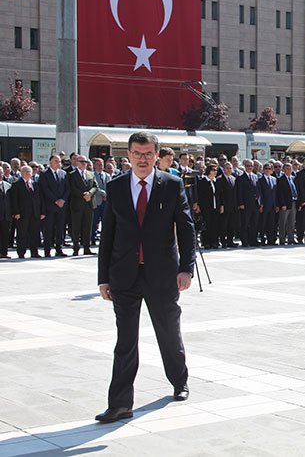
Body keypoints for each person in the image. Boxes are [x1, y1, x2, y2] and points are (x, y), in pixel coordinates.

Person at [96, 132, 195, 423]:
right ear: (128, 155)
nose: (142, 159)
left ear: (156, 155)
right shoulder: (115, 187)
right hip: (124, 275)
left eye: (148, 153)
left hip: (162, 274)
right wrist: (104, 277)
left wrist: (186, 268)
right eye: (137, 153)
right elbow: (108, 235)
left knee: (167, 332)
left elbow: (186, 229)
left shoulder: (172, 185)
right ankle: (120, 404)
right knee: (125, 341)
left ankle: (179, 380)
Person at [11, 165, 45, 258]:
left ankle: (34, 252)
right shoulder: (16, 184)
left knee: (34, 233)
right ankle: (21, 253)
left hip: (35, 213)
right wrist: (16, 212)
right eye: (25, 171)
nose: (27, 173)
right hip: (22, 214)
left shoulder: (35, 184)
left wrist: (42, 212)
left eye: (29, 171)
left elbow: (40, 199)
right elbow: (14, 200)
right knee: (22, 234)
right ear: (21, 173)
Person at [39, 155, 70, 257]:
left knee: (60, 228)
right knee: (48, 229)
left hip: (61, 206)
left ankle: (59, 249)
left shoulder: (63, 173)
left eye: (59, 161)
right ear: (50, 162)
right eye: (56, 161)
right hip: (50, 205)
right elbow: (45, 189)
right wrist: (56, 200)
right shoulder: (44, 174)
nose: (58, 163)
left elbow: (67, 189)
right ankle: (47, 250)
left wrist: (63, 200)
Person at [68, 155, 98, 256]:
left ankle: (87, 247)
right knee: (76, 227)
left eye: (85, 161)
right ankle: (76, 248)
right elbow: (72, 188)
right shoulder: (72, 174)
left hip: (89, 204)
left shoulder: (90, 174)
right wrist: (83, 195)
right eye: (82, 161)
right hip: (77, 204)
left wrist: (90, 193)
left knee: (87, 227)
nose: (84, 163)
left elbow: (95, 186)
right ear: (77, 162)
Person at [197, 164, 221, 249]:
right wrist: (198, 205)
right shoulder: (203, 181)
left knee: (214, 225)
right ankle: (206, 242)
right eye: (213, 170)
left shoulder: (216, 181)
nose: (215, 172)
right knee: (207, 225)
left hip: (215, 207)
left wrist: (220, 205)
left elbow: (219, 195)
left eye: (216, 170)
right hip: (206, 207)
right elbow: (200, 195)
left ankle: (214, 241)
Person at [237, 159, 260, 247]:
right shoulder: (241, 177)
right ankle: (245, 240)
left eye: (251, 166)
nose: (249, 167)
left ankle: (253, 239)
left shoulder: (255, 176)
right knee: (245, 223)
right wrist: (241, 203)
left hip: (255, 203)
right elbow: (239, 192)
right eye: (248, 166)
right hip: (246, 204)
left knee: (254, 223)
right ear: (244, 166)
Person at [217, 162, 239, 248]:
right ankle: (223, 241)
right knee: (224, 224)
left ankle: (230, 240)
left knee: (232, 224)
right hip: (225, 205)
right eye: (227, 168)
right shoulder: (220, 179)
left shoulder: (233, 178)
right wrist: (221, 205)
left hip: (233, 206)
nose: (229, 170)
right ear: (223, 169)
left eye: (230, 168)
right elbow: (220, 193)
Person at [256, 162, 277, 245]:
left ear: (272, 170)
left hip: (272, 205)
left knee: (271, 223)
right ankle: (262, 239)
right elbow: (260, 193)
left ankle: (270, 239)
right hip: (264, 205)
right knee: (263, 223)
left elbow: (276, 193)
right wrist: (261, 204)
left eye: (269, 169)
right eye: (266, 168)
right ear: (263, 170)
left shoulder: (274, 179)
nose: (268, 170)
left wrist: (276, 205)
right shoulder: (260, 180)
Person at [277, 163, 298, 245]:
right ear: (283, 170)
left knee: (292, 222)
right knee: (283, 222)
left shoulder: (293, 178)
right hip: (285, 204)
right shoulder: (281, 179)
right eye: (286, 169)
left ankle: (291, 238)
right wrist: (282, 204)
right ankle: (282, 239)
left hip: (294, 202)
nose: (288, 170)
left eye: (290, 168)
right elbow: (280, 193)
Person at [92, 158, 110, 246]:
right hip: (97, 200)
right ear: (94, 165)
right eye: (98, 164)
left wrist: (108, 195)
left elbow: (110, 185)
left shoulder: (107, 175)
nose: (100, 166)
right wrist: (103, 194)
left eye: (102, 164)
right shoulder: (92, 175)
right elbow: (94, 187)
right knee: (95, 221)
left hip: (106, 202)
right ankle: (93, 238)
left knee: (105, 221)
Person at [0, 178, 13, 258]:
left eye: (1, 172)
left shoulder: (8, 185)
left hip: (6, 214)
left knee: (5, 234)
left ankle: (4, 253)